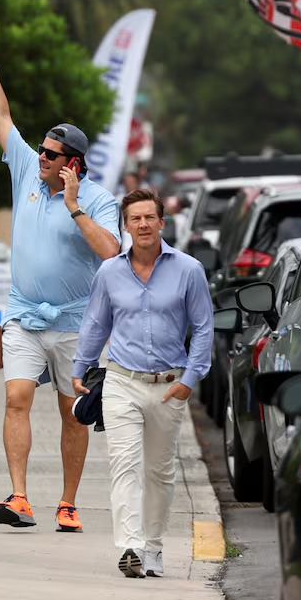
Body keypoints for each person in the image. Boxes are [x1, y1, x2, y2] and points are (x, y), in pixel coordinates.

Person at [0, 23, 121, 534]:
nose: (40, 156)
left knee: (71, 411)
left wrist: (77, 206)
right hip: (23, 316)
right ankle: (19, 498)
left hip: (76, 325)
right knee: (16, 397)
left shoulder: (99, 200)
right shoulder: (25, 174)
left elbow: (112, 251)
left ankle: (68, 503)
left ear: (72, 164)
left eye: (51, 154)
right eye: (40, 149)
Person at [72, 187, 212, 579]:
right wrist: (80, 367)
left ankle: (153, 546)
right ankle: (130, 545)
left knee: (160, 472)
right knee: (125, 464)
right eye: (135, 218)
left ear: (162, 223)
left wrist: (190, 378)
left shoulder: (188, 270)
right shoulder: (110, 272)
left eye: (150, 217)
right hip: (121, 380)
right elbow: (96, 324)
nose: (144, 224)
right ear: (126, 225)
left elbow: (203, 328)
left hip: (169, 385)